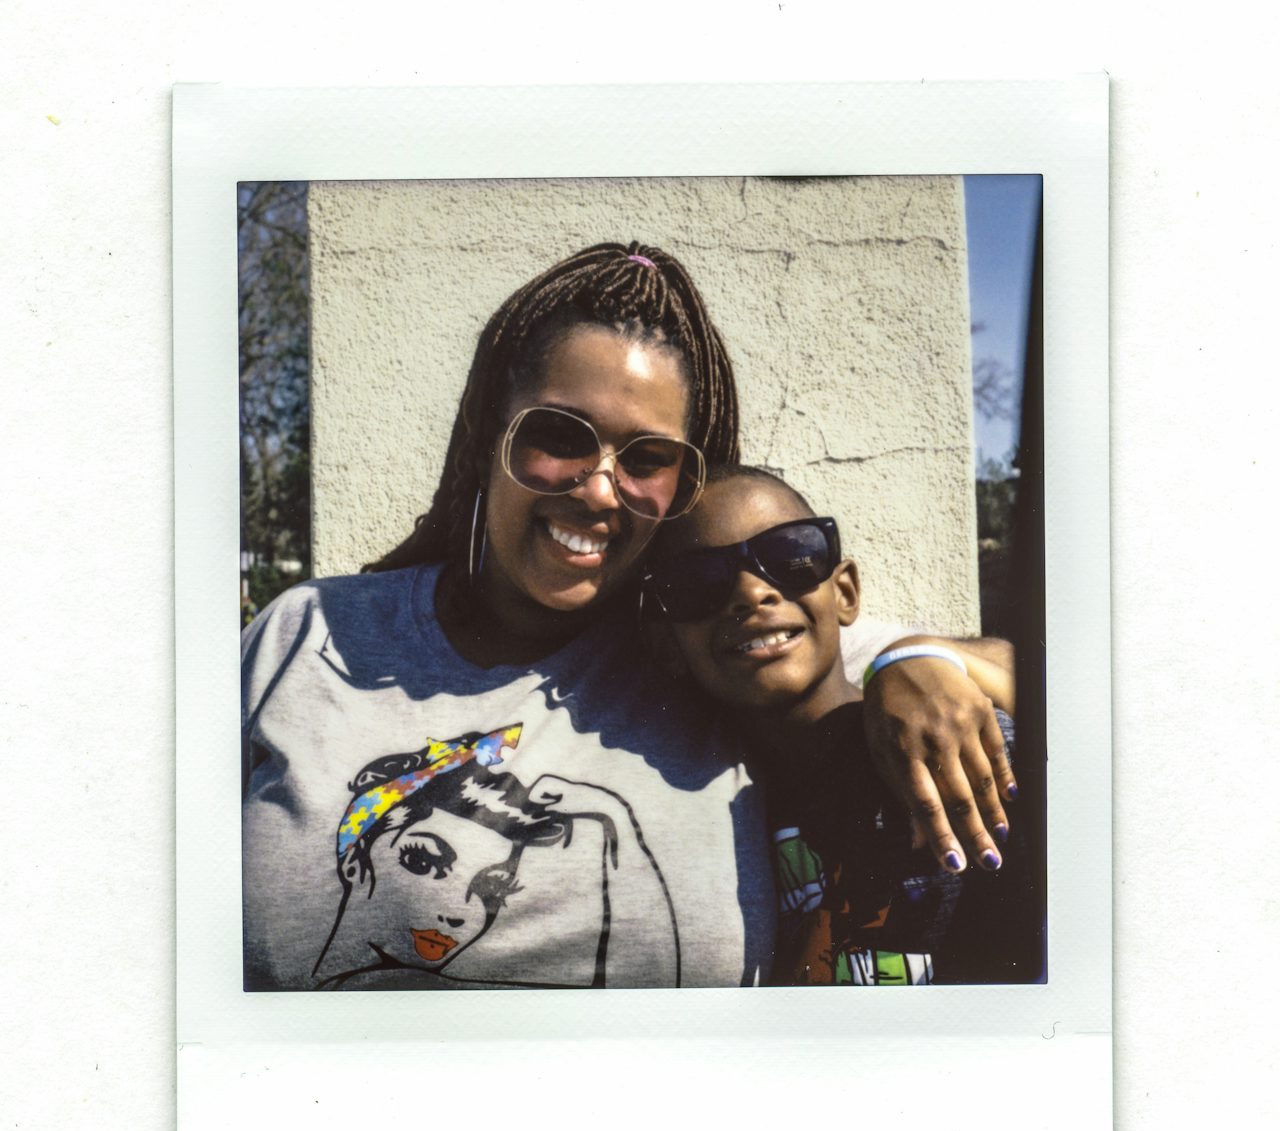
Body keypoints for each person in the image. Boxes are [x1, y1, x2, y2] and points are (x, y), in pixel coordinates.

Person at [242, 241, 1017, 991]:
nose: (600, 489)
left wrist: (916, 659)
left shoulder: (697, 646)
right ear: (489, 436)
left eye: (646, 458)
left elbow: (988, 664)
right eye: (558, 436)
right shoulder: (305, 635)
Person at [646, 465, 1036, 985]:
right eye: (700, 581)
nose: (751, 592)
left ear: (846, 591)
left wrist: (919, 654)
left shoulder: (959, 741)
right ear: (667, 642)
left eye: (789, 556)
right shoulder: (684, 809)